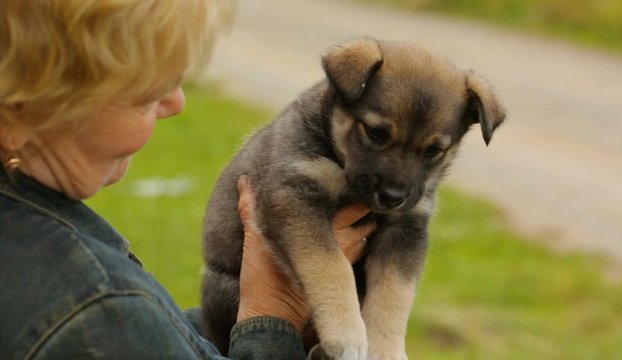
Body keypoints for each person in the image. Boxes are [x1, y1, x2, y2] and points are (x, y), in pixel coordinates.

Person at [0, 1, 375, 359]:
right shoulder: (91, 311)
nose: (175, 102)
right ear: (24, 102)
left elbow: (146, 338)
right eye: (144, 92)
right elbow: (109, 330)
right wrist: (274, 311)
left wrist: (242, 309)